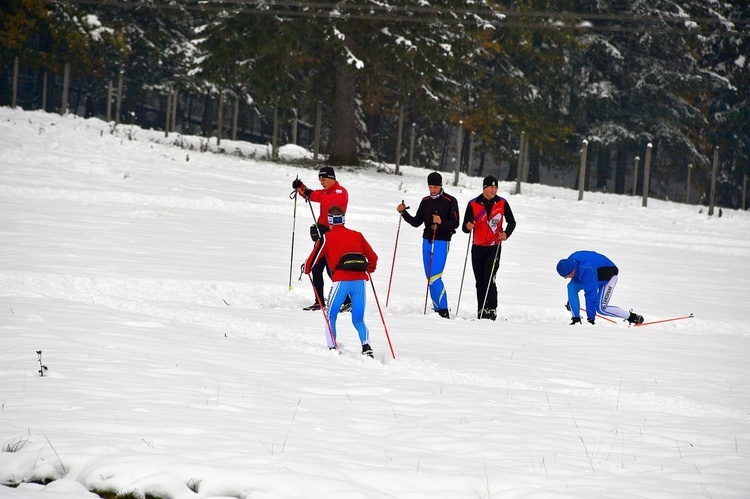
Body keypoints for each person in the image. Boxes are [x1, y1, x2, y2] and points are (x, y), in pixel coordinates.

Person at [304, 205, 378, 357]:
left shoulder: (327, 237)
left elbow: (314, 258)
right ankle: (366, 346)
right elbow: (373, 257)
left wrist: (307, 268)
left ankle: (332, 347)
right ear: (343, 219)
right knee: (358, 319)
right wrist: (369, 270)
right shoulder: (357, 235)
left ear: (330, 221)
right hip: (359, 283)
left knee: (331, 316)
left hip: (340, 282)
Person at [397, 171, 460, 319]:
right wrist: (403, 213)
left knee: (435, 277)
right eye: (430, 187)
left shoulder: (450, 201)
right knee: (429, 277)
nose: (432, 190)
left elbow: (456, 223)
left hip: (442, 241)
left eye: (435, 187)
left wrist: (441, 222)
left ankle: (443, 309)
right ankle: (437, 307)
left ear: (441, 186)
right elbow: (416, 222)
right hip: (427, 240)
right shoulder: (425, 201)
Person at [292, 166, 351, 312]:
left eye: (323, 179)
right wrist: (301, 188)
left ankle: (347, 301)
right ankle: (319, 301)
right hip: (323, 235)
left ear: (331, 178)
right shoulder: (326, 192)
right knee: (316, 268)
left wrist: (309, 192)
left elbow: (330, 202)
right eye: (319, 179)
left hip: (334, 236)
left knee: (332, 270)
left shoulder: (340, 191)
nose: (321, 182)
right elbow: (312, 196)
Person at [461, 175, 516, 320]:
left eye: (496, 187)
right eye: (491, 187)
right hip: (477, 247)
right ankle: (481, 308)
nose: (494, 190)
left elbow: (512, 222)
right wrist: (468, 226)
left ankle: (491, 308)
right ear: (484, 188)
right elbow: (464, 227)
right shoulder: (473, 204)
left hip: (494, 247)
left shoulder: (502, 203)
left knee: (489, 278)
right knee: (479, 280)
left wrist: (506, 233)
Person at [556, 250, 644, 325]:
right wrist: (572, 301)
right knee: (571, 286)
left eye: (566, 275)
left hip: (609, 277)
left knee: (601, 308)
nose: (565, 278)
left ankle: (632, 317)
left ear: (572, 270)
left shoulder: (587, 270)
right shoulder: (570, 262)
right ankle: (576, 319)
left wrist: (591, 318)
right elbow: (575, 281)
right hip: (595, 275)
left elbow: (590, 294)